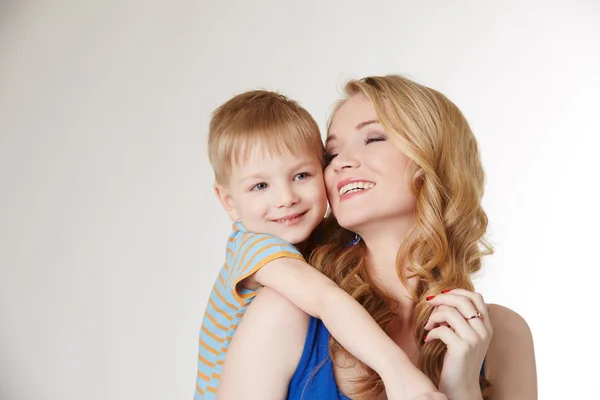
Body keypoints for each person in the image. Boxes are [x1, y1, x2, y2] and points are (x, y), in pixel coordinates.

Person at [217, 75, 538, 400]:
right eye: (331, 155)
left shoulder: (505, 337)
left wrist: (462, 388)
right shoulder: (285, 312)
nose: (341, 163)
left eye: (372, 138)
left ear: (434, 156)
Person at [195, 90, 446, 400]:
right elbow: (325, 299)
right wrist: (398, 370)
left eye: (301, 175)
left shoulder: (316, 250)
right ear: (229, 203)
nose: (286, 198)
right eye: (260, 185)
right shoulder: (255, 248)